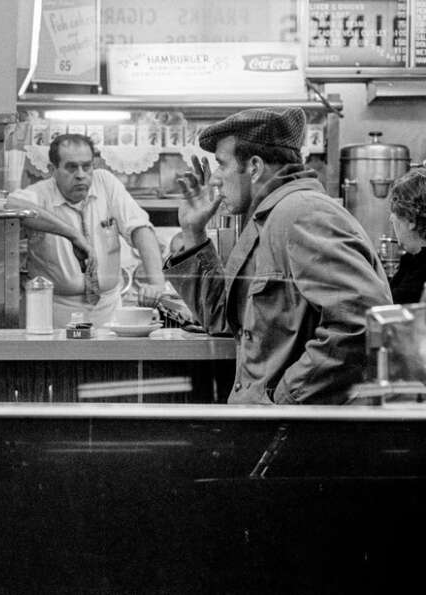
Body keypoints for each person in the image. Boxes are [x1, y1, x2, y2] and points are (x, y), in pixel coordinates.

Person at [167, 107, 392, 405]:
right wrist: (194, 233)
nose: (215, 179)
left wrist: (282, 401)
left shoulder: (302, 213)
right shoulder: (268, 218)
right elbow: (225, 319)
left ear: (256, 167)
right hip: (275, 427)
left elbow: (363, 323)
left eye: (222, 165)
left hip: (299, 435)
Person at [7, 133, 167, 327]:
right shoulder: (41, 193)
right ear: (52, 170)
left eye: (87, 166)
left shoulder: (105, 183)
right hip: (54, 311)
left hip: (107, 309)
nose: (81, 174)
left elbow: (140, 228)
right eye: (71, 167)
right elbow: (10, 204)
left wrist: (156, 282)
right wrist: (72, 234)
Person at [386, 167, 426, 304]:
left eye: (395, 212)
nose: (391, 218)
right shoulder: (412, 261)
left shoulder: (417, 280)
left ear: (411, 220)